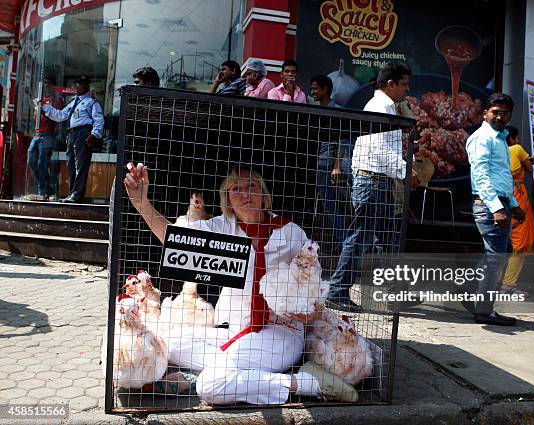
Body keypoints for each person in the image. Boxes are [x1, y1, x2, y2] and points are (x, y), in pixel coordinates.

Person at [123, 163, 358, 405]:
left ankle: (307, 382)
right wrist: (142, 203)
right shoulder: (223, 227)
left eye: (252, 186)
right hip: (235, 330)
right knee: (165, 345)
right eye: (236, 188)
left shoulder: (291, 233)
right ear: (227, 199)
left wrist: (310, 314)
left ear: (263, 194)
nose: (245, 194)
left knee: (210, 387)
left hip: (281, 332)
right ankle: (239, 376)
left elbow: (315, 293)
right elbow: (176, 242)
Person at [327, 61, 411, 312]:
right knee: (360, 238)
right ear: (390, 84)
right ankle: (337, 290)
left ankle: (396, 292)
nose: (407, 90)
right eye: (404, 85)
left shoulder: (387, 106)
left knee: (388, 239)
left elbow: (390, 150)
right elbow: (382, 150)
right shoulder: (380, 106)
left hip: (379, 182)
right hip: (372, 182)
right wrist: (407, 172)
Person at [465, 93, 525, 326]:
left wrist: (513, 205)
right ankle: (483, 310)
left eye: (505, 113)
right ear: (485, 113)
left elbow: (501, 175)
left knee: (502, 253)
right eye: (495, 112)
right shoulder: (483, 138)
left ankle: (467, 286)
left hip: (499, 202)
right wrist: (497, 208)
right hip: (488, 203)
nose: (500, 116)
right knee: (496, 258)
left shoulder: (500, 138)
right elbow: (481, 176)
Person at [40, 75, 104, 203]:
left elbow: (99, 120)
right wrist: (45, 107)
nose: (78, 86)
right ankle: (72, 193)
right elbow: (60, 115)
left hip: (83, 133)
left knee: (80, 165)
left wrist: (94, 134)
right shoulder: (73, 102)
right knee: (71, 166)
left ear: (86, 86)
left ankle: (77, 194)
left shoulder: (92, 102)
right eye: (77, 84)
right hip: (72, 134)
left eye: (81, 84)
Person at [310, 74, 348, 252]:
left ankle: (343, 240)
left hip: (327, 164)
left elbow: (342, 141)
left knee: (329, 204)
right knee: (323, 205)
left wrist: (337, 166)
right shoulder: (315, 110)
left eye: (315, 88)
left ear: (325, 90)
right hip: (316, 162)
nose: (312, 92)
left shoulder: (337, 111)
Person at [500, 126, 534, 295]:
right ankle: (508, 284)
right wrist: (529, 161)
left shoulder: (497, 150)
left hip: (501, 196)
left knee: (501, 241)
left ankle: (495, 281)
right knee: (519, 243)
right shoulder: (516, 148)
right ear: (513, 138)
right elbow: (529, 169)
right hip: (518, 198)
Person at [28, 76, 63, 201]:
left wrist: (43, 109)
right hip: (38, 134)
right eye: (43, 83)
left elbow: (57, 115)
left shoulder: (56, 99)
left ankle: (42, 190)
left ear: (52, 86)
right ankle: (47, 187)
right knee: (31, 160)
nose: (44, 86)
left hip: (48, 134)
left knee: (42, 163)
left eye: (47, 83)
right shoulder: (40, 100)